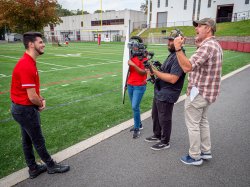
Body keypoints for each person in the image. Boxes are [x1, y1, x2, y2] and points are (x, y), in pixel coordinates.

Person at [10, 32, 70, 179]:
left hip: (21, 108)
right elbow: (31, 97)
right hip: (25, 109)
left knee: (27, 139)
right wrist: (40, 103)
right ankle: (51, 165)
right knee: (37, 139)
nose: (43, 45)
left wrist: (39, 98)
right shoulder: (26, 64)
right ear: (31, 44)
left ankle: (33, 168)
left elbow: (31, 92)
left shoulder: (29, 61)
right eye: (40, 42)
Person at [174, 18, 223, 165]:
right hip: (208, 93)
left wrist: (178, 48)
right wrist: (197, 45)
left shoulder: (207, 46)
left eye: (200, 26)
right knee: (202, 121)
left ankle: (195, 156)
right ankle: (205, 150)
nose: (196, 29)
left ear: (208, 28)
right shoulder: (214, 44)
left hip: (199, 93)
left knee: (193, 124)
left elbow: (187, 67)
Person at [144, 30, 186, 150]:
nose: (168, 42)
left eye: (171, 40)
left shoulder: (179, 56)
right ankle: (157, 135)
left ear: (179, 41)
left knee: (164, 118)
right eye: (168, 40)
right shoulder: (173, 54)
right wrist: (157, 66)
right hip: (160, 90)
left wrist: (154, 71)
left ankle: (165, 141)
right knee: (156, 115)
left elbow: (173, 78)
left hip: (168, 92)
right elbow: (167, 71)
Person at [127, 52, 147, 139]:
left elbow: (143, 73)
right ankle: (139, 124)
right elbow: (127, 71)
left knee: (135, 106)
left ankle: (137, 128)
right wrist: (125, 83)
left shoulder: (144, 58)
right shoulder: (131, 56)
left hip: (139, 86)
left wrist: (134, 65)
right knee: (134, 106)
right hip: (130, 84)